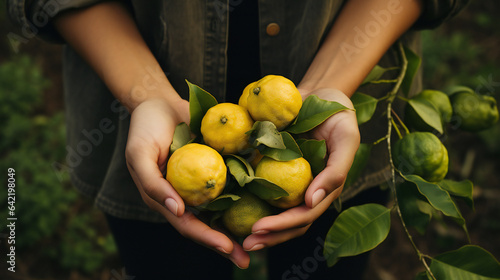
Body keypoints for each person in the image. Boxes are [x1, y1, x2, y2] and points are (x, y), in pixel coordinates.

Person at [7, 0, 468, 279]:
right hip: (152, 124)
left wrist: (334, 86)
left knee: (329, 267)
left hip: (336, 126)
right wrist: (145, 94)